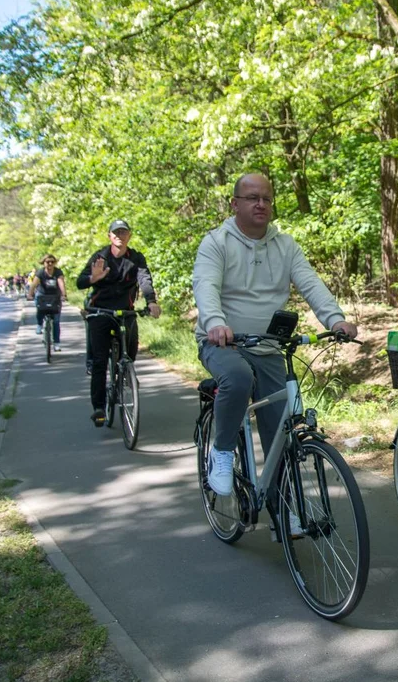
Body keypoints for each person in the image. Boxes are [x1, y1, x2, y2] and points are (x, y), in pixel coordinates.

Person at [193, 173, 358, 497]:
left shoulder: (285, 246)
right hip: (223, 342)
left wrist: (335, 319)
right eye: (253, 197)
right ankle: (222, 452)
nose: (261, 204)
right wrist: (215, 322)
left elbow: (311, 284)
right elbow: (206, 285)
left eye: (267, 198)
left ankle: (282, 508)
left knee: (280, 429)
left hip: (269, 347)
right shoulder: (216, 243)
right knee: (238, 379)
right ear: (235, 203)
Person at [77, 220, 161, 426]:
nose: (119, 236)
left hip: (125, 311)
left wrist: (151, 302)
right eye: (116, 233)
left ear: (129, 236)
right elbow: (80, 282)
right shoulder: (100, 257)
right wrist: (93, 278)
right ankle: (99, 407)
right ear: (110, 236)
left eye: (123, 232)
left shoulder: (136, 258)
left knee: (130, 351)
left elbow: (145, 280)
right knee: (99, 361)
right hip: (101, 311)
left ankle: (126, 375)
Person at [27, 255, 66, 349]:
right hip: (42, 295)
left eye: (52, 262)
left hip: (55, 296)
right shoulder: (40, 272)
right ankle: (39, 324)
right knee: (40, 310)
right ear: (43, 263)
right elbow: (34, 284)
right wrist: (30, 294)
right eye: (47, 262)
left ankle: (57, 343)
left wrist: (63, 295)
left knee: (56, 321)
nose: (50, 264)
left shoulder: (58, 272)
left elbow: (61, 283)